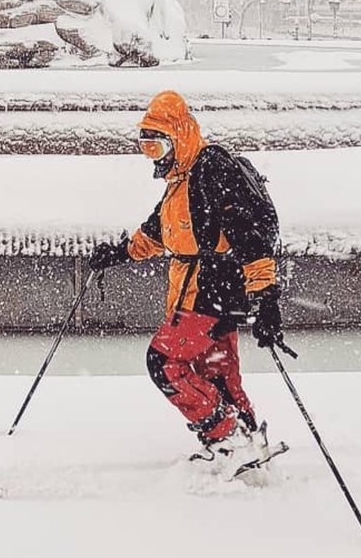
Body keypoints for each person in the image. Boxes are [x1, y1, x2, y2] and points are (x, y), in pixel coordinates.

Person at [89, 90, 283, 469]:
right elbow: (157, 233)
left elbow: (249, 238)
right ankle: (247, 436)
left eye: (158, 147)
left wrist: (266, 297)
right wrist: (117, 254)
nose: (154, 158)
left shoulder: (212, 169)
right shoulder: (181, 179)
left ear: (178, 136)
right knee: (216, 371)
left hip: (211, 288)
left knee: (163, 362)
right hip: (211, 291)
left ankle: (224, 436)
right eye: (146, 148)